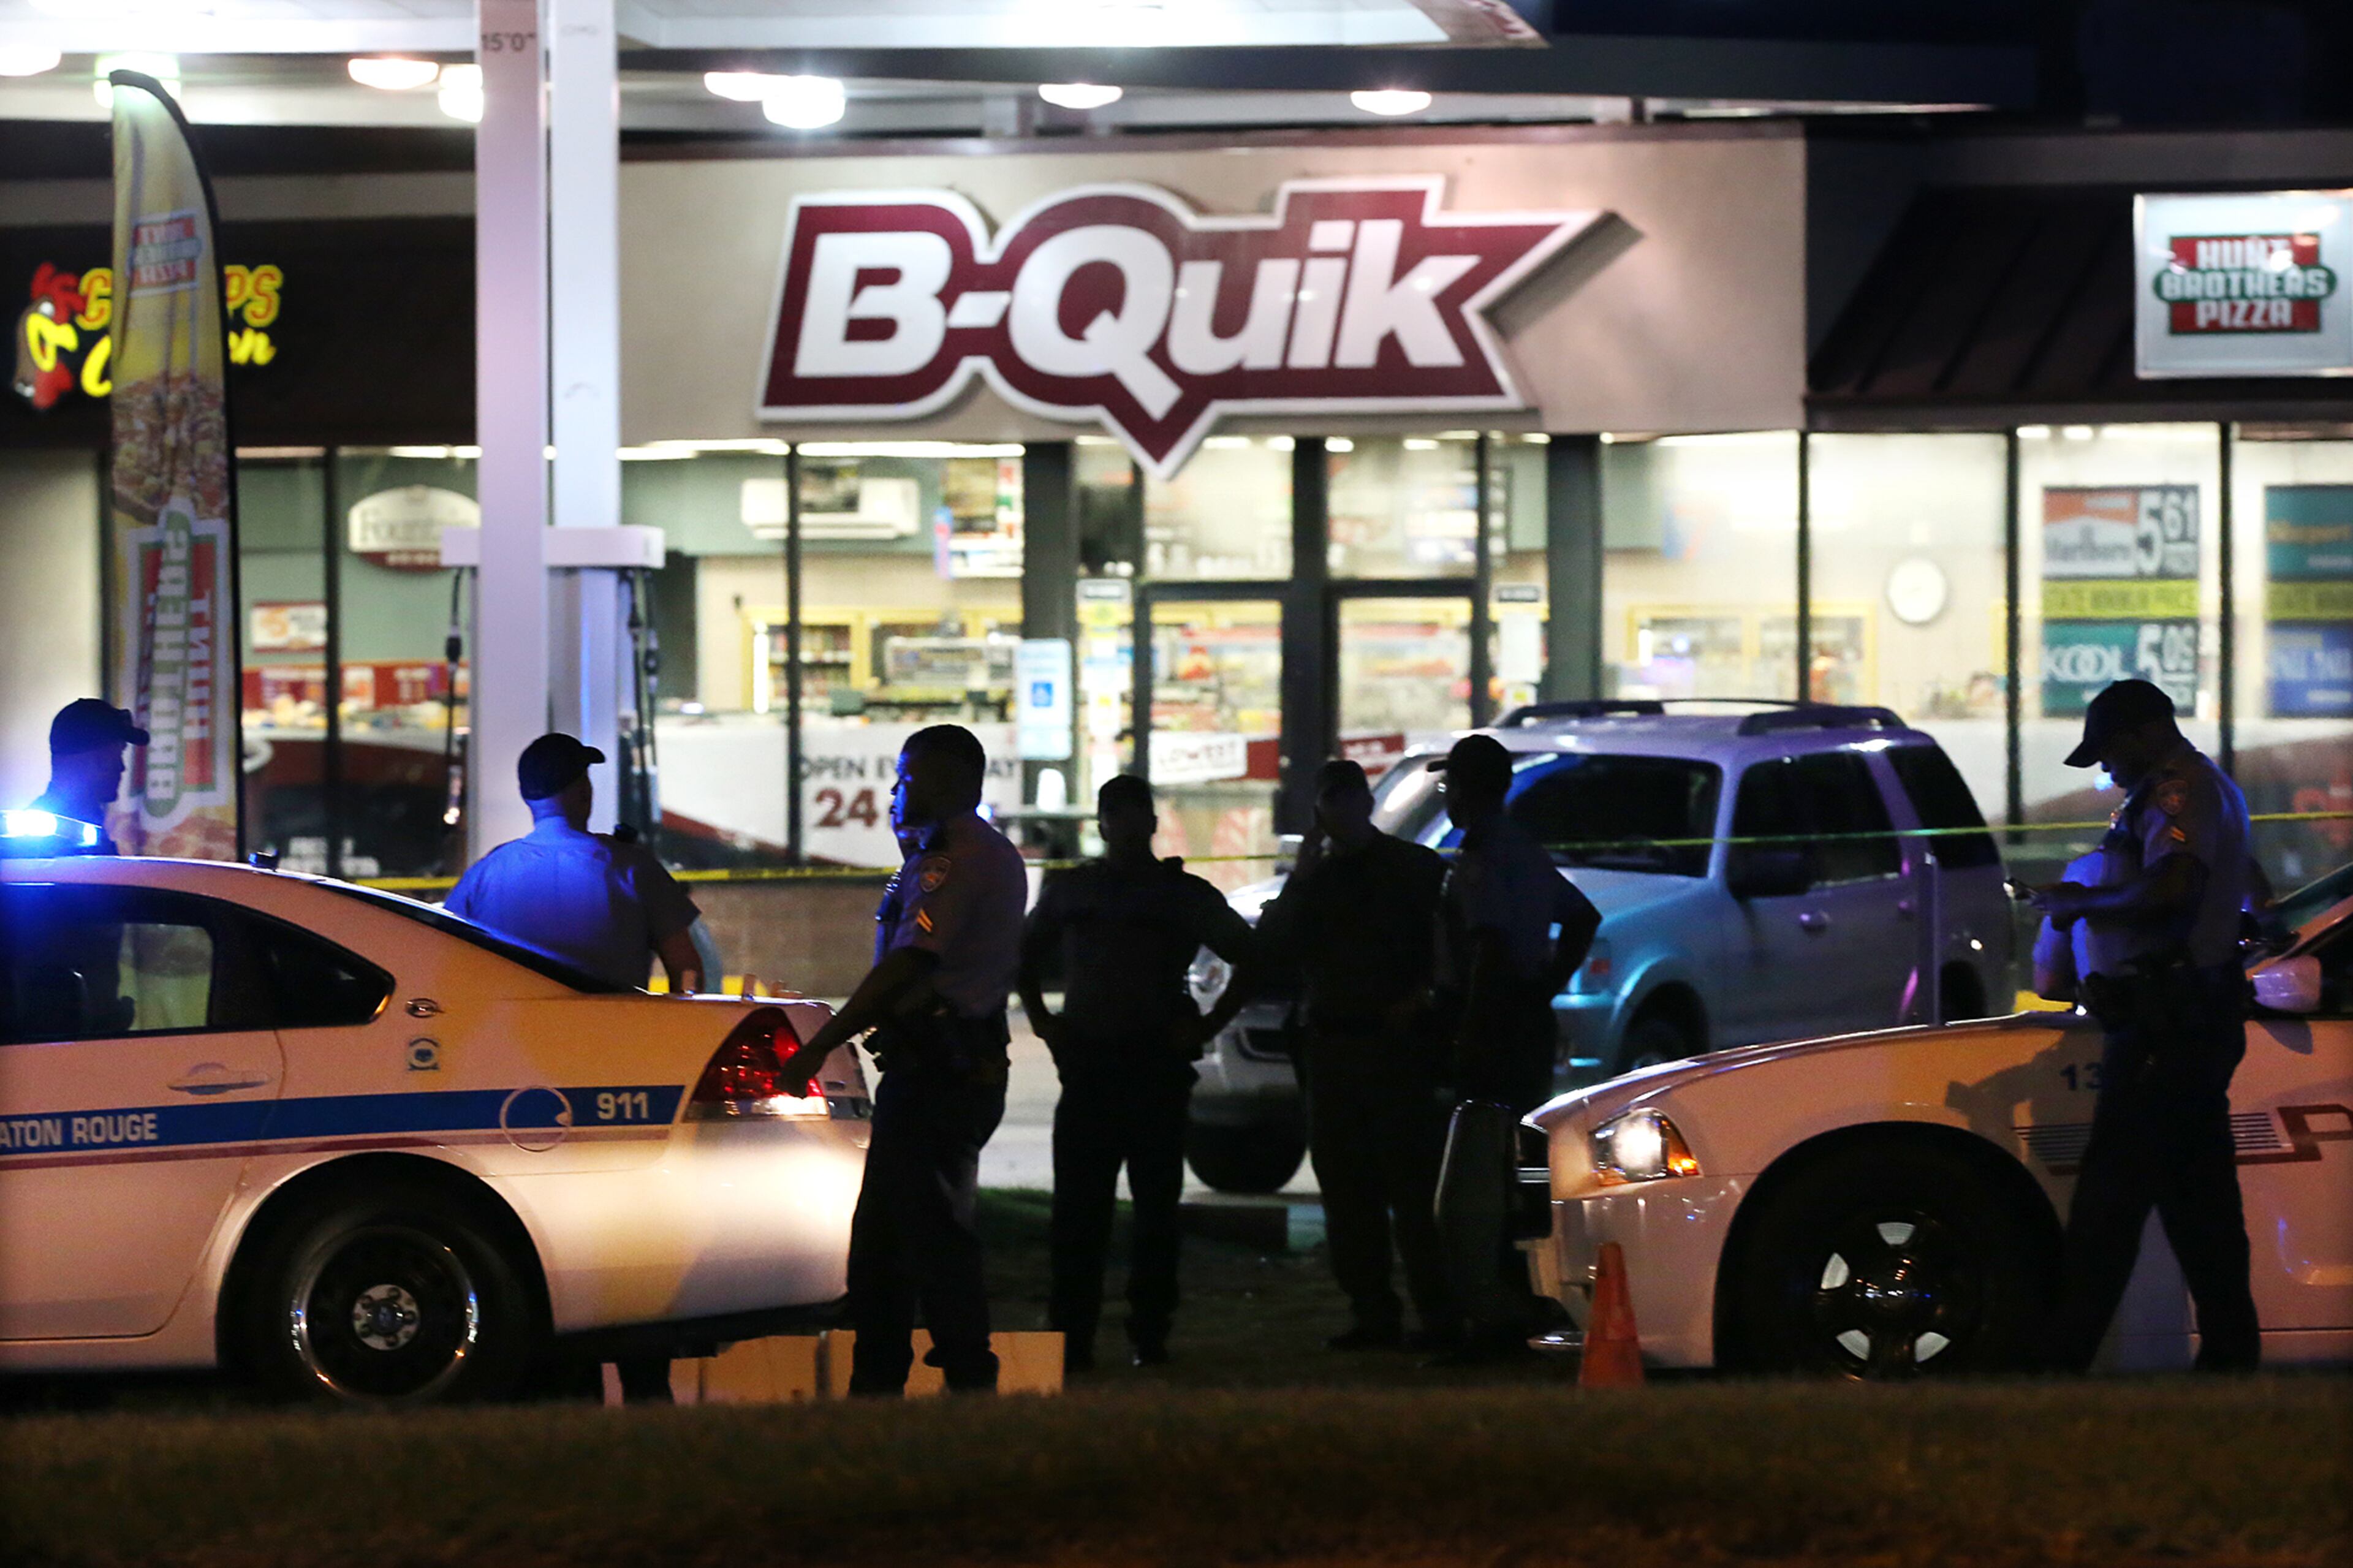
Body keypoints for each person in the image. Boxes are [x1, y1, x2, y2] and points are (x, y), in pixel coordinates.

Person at [443, 732, 702, 1402]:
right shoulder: (629, 864)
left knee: (548, 1235)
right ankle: (648, 1389)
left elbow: (449, 973)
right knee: (634, 1236)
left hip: (515, 1087)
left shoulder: (489, 873)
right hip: (622, 1082)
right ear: (579, 790)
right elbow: (690, 969)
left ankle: (568, 1390)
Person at [778, 725, 1026, 1396]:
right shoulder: (950, 855)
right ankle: (883, 1384)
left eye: (908, 777)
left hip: (940, 1074)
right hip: (937, 1069)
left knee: (928, 1239)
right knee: (888, 1242)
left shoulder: (955, 860)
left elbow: (911, 964)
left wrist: (821, 1046)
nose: (895, 790)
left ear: (947, 783)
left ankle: (963, 1379)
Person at [2029, 678, 2260, 1373]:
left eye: (2108, 751)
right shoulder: (2196, 786)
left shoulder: (2178, 788)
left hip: (2169, 1022)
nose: (2106, 767)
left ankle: (2059, 1366)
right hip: (2187, 1014)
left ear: (2142, 732)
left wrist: (2081, 904)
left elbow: (2174, 886)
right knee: (2201, 1208)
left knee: (2110, 1200)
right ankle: (2229, 1362)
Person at [1018, 774, 1257, 1373]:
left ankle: (1144, 1333)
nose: (1126, 827)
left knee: (1148, 1212)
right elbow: (1019, 956)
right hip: (1098, 1067)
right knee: (1083, 1213)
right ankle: (1079, 1335)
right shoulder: (1084, 891)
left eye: (1133, 815)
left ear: (1149, 824)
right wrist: (1046, 1022)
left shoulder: (1171, 894)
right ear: (1104, 823)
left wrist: (1205, 1027)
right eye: (1116, 815)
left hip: (1149, 1066)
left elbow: (1252, 956)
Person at [1258, 758, 1456, 1352]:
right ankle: (1377, 1311)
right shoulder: (1317, 882)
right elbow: (1271, 950)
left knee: (1409, 1189)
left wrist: (1423, 998)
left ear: (1363, 805)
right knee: (1348, 1191)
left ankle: (1433, 1315)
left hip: (1391, 1046)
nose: (1338, 814)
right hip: (1336, 1044)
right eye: (1329, 804)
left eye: (1344, 801)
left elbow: (1447, 949)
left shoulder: (1413, 870)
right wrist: (1300, 876)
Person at [1429, 734, 1599, 1362]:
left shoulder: (1482, 857)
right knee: (1523, 1164)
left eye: (1451, 786)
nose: (1446, 797)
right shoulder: (1524, 851)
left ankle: (1492, 1306)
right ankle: (1526, 1293)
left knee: (1482, 1168)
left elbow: (1488, 947)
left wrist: (1473, 1026)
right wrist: (1544, 989)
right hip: (1522, 1021)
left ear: (1470, 790)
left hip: (1491, 1025)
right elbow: (1581, 918)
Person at [444, 733, 703, 994]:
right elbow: (687, 969)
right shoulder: (633, 868)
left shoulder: (484, 874)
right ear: (584, 792)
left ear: (526, 796)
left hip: (510, 1032)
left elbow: (448, 964)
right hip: (616, 1032)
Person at [26, 699, 148, 854]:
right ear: (91, 759)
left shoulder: (92, 827)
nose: (122, 767)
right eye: (117, 754)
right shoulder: (37, 837)